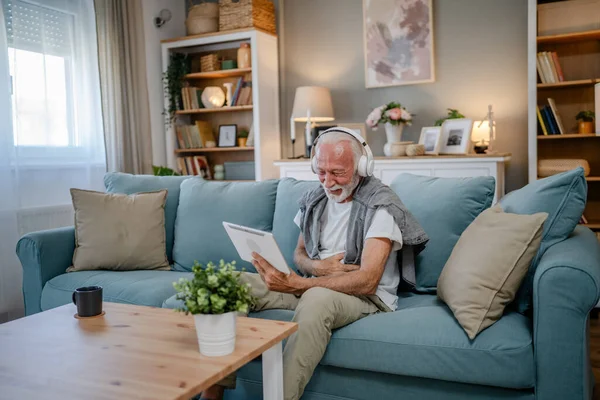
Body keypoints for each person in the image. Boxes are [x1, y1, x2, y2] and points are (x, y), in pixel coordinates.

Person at [200, 127, 428, 400]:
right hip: (314, 285)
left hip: (365, 297)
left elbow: (368, 280)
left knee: (317, 298)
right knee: (226, 284)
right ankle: (211, 392)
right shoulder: (315, 199)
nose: (328, 182)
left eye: (338, 173)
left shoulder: (381, 205)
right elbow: (299, 255)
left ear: (363, 167)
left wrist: (299, 284)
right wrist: (316, 269)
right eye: (321, 171)